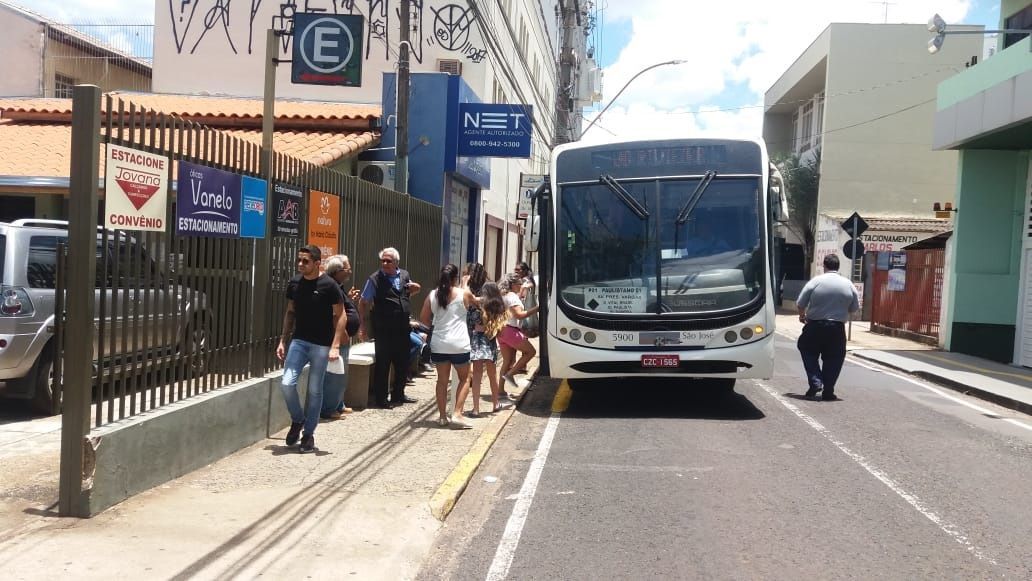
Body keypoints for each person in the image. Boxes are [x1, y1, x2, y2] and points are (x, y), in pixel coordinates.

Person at [275, 244, 346, 453]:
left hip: (322, 344)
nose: (300, 264)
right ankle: (298, 420)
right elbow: (290, 312)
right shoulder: (295, 283)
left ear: (317, 263)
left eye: (305, 261)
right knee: (287, 383)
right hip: (299, 341)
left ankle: (308, 434)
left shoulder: (329, 285)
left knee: (315, 390)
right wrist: (282, 340)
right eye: (299, 260)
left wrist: (335, 345)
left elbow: (340, 316)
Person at [359, 247, 421, 408]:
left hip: (402, 328)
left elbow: (406, 295)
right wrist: (362, 326)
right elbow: (364, 301)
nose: (385, 263)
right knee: (383, 364)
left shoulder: (405, 275)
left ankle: (398, 394)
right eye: (383, 261)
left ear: (396, 263)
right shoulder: (375, 279)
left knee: (402, 363)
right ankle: (381, 399)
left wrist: (415, 289)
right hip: (383, 330)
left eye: (388, 261)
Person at [420, 264, 479, 429]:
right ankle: (457, 413)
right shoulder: (463, 293)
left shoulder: (432, 295)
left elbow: (424, 318)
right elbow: (474, 301)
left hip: (439, 343)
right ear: (455, 278)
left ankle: (442, 417)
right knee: (465, 378)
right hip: (459, 344)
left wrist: (437, 326)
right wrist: (465, 284)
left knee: (442, 381)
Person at [795, 254, 860, 401]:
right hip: (837, 328)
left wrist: (802, 316)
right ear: (838, 267)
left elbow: (800, 303)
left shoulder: (816, 281)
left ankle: (816, 381)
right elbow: (854, 308)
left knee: (806, 349)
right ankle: (828, 391)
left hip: (815, 325)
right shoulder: (848, 284)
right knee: (834, 358)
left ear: (824, 266)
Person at [320, 254, 361, 420]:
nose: (350, 271)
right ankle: (328, 409)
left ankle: (338, 404)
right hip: (338, 338)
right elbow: (334, 315)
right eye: (347, 268)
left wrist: (349, 299)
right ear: (337, 271)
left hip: (343, 338)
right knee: (335, 376)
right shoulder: (332, 287)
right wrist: (342, 334)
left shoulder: (338, 286)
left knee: (342, 374)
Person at [468, 281, 511, 415]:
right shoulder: (498, 305)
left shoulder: (478, 304)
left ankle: (476, 409)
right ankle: (495, 404)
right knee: (492, 375)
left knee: (477, 376)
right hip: (490, 339)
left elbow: (470, 320)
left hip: (477, 339)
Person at [497, 272, 540, 394]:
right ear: (513, 284)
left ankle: (500, 391)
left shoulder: (503, 295)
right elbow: (519, 315)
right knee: (531, 352)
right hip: (511, 330)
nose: (521, 285)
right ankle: (510, 374)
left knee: (507, 361)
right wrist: (537, 308)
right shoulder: (512, 297)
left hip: (501, 331)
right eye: (519, 283)